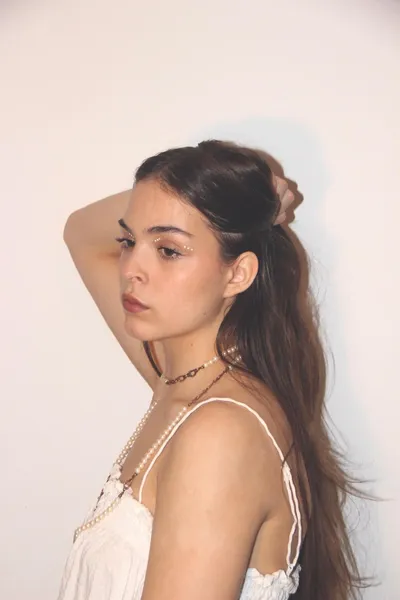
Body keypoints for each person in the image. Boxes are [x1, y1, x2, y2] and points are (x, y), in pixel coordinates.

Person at [58, 140, 365, 600]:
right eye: (129, 241)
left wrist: (226, 194)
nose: (131, 268)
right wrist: (237, 191)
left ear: (237, 274)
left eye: (168, 250)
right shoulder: (180, 381)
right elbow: (80, 232)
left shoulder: (219, 431)